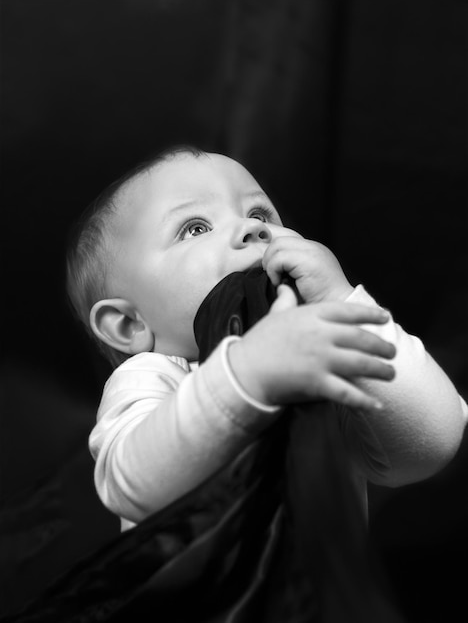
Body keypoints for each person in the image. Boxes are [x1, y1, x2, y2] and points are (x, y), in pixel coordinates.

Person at [66, 145, 467, 533]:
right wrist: (245, 375)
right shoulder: (152, 379)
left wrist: (343, 303)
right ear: (128, 324)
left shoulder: (321, 367)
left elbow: (430, 445)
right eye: (195, 228)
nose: (253, 228)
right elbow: (135, 486)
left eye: (260, 212)